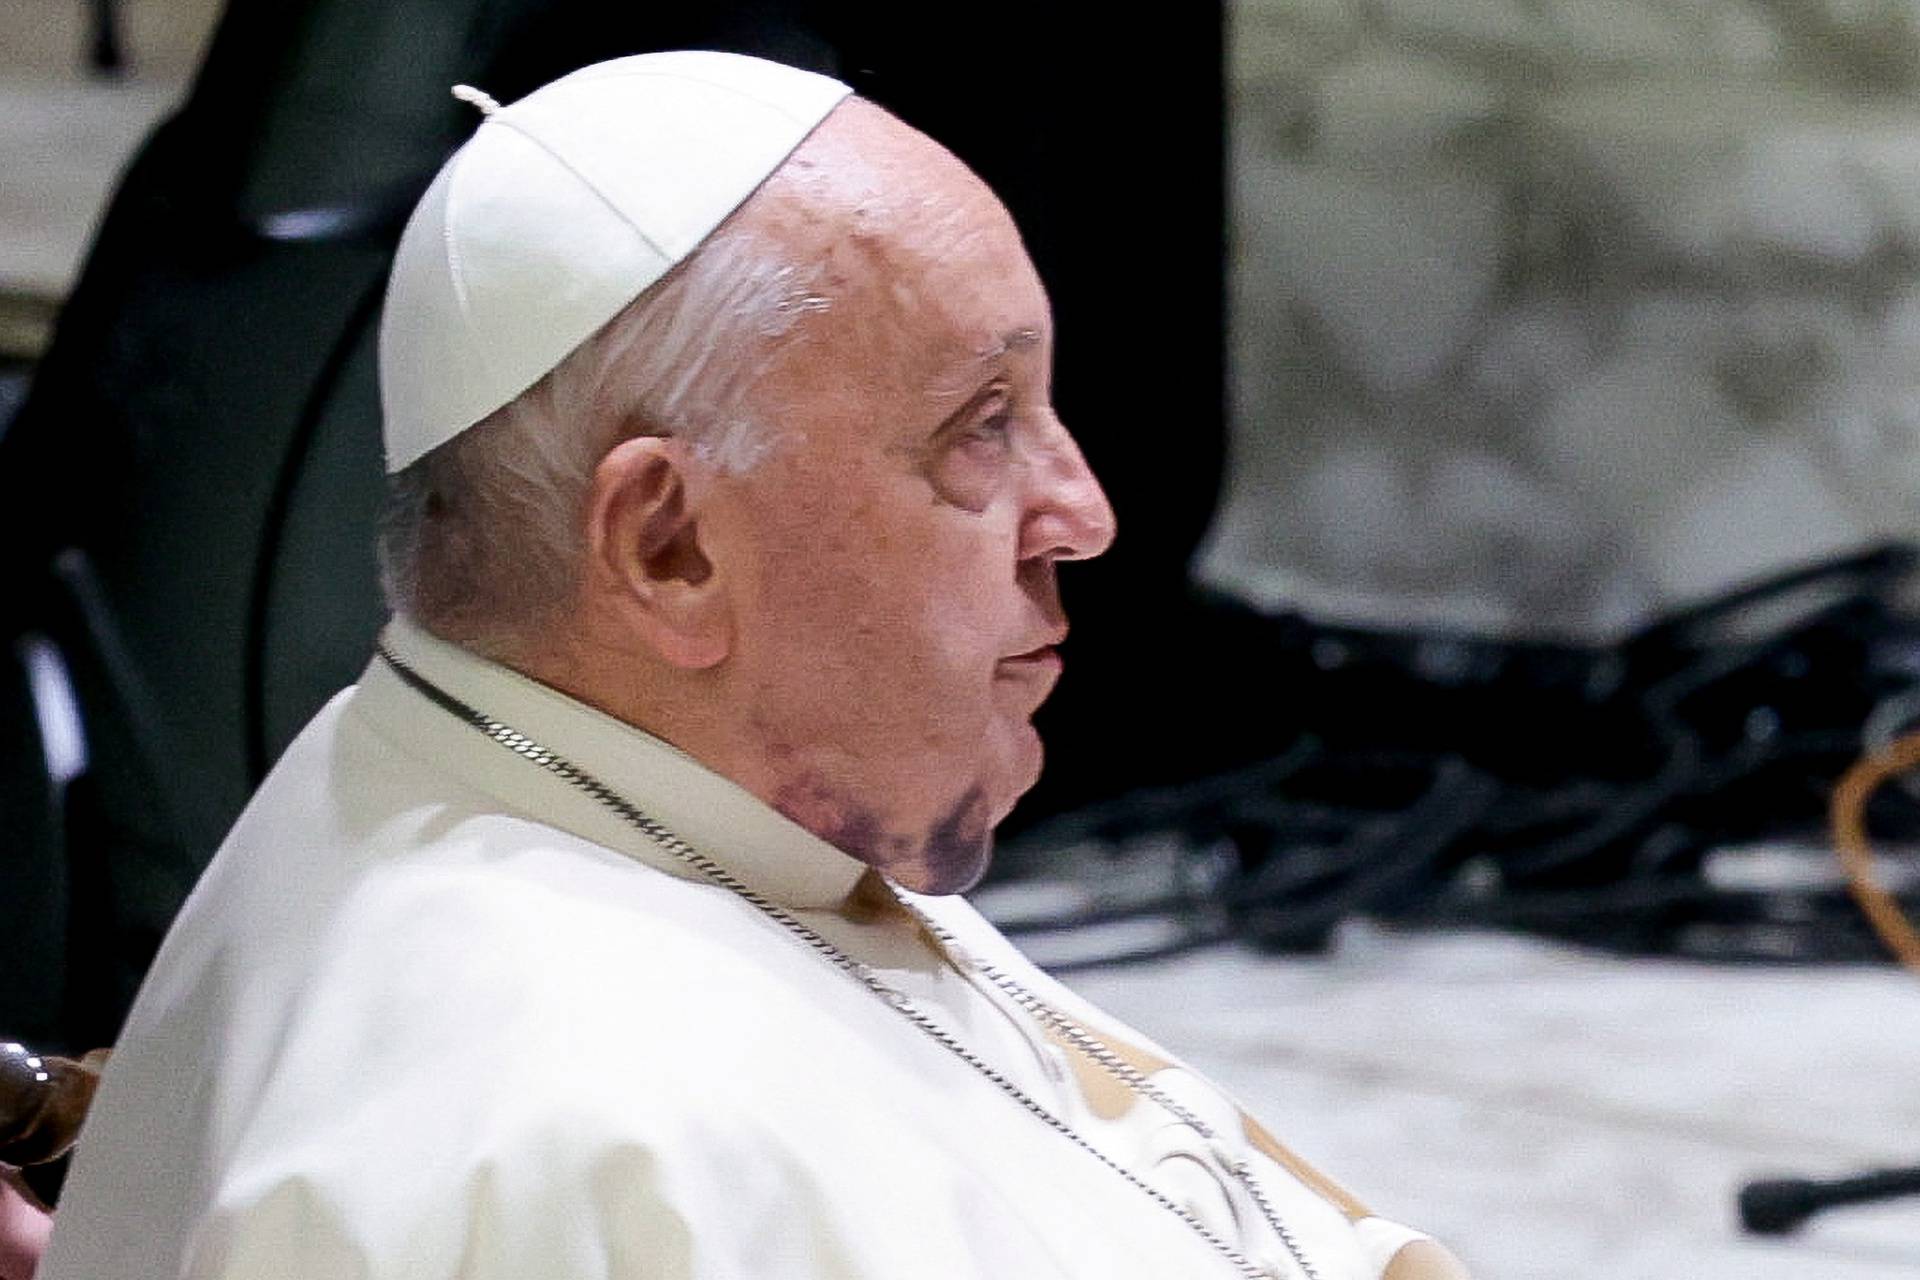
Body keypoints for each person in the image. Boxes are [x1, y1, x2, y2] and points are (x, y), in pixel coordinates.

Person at [36, 52, 1468, 1280]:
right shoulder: (540, 1140)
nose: (1085, 514)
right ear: (668, 549)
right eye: (981, 426)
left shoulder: (633, 785)